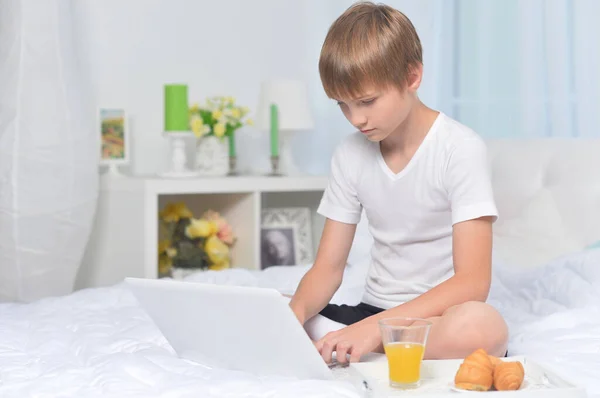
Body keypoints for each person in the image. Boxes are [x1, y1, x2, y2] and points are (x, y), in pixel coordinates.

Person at [288, 1, 508, 365]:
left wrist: (377, 330)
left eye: (367, 101)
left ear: (412, 77)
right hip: (369, 313)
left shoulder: (460, 149)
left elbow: (472, 283)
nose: (356, 119)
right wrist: (295, 313)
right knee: (276, 306)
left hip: (435, 320)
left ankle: (354, 344)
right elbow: (327, 268)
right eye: (342, 105)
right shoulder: (349, 154)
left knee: (483, 328)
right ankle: (352, 342)